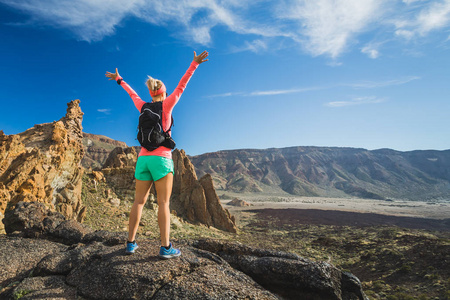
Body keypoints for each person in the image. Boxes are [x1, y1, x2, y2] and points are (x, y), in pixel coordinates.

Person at [105, 50, 209, 259]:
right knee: (163, 203)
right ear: (163, 92)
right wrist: (194, 64)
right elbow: (182, 85)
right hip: (162, 159)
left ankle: (131, 243)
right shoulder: (167, 104)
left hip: (142, 159)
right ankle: (165, 247)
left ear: (151, 93)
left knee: (138, 202)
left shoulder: (143, 106)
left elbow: (132, 93)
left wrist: (119, 79)